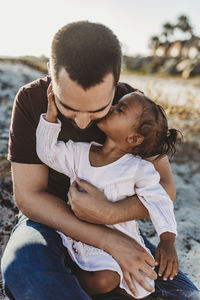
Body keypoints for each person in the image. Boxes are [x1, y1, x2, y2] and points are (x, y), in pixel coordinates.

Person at [1, 21, 199, 300]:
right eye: (69, 107)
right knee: (27, 270)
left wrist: (109, 215)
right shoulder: (31, 100)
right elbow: (29, 198)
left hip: (119, 227)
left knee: (184, 294)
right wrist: (107, 239)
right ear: (50, 72)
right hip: (47, 221)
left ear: (117, 80)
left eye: (98, 110)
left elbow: (164, 187)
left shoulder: (133, 109)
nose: (82, 123)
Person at [36, 90, 179, 299]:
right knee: (103, 280)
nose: (110, 108)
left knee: (138, 284)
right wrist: (51, 116)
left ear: (133, 138)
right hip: (81, 234)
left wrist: (167, 240)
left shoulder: (139, 169)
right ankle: (72, 277)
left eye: (119, 109)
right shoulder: (79, 153)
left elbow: (159, 200)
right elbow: (47, 153)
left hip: (122, 238)